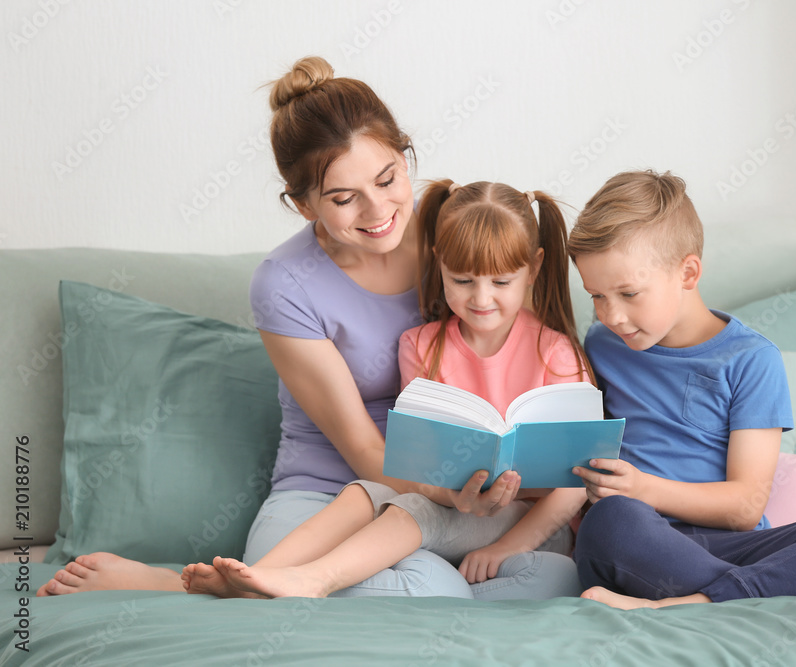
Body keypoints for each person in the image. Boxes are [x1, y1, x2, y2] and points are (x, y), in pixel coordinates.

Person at [37, 56, 578, 599]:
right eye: (344, 199)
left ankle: (263, 587)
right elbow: (367, 453)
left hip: (448, 498)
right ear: (303, 205)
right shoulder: (284, 283)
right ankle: (182, 585)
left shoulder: (451, 234)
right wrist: (444, 495)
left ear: (404, 156)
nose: (379, 210)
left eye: (388, 179)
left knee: (451, 583)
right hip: (329, 493)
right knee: (332, 582)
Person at [182, 180, 591, 599]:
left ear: (534, 269)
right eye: (462, 280)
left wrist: (509, 546)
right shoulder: (421, 346)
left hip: (531, 522)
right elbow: (417, 455)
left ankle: (314, 579)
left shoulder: (556, 355)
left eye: (501, 282)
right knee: (365, 492)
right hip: (451, 503)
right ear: (439, 263)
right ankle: (257, 576)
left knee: (415, 511)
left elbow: (575, 482)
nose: (481, 298)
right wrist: (450, 489)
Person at [566, 169, 796, 609]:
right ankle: (785, 586)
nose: (610, 315)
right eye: (596, 296)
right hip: (642, 545)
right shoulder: (601, 345)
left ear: (688, 272)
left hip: (735, 545)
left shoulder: (751, 360)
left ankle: (701, 602)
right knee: (610, 521)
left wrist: (644, 487)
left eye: (628, 293)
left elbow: (745, 506)